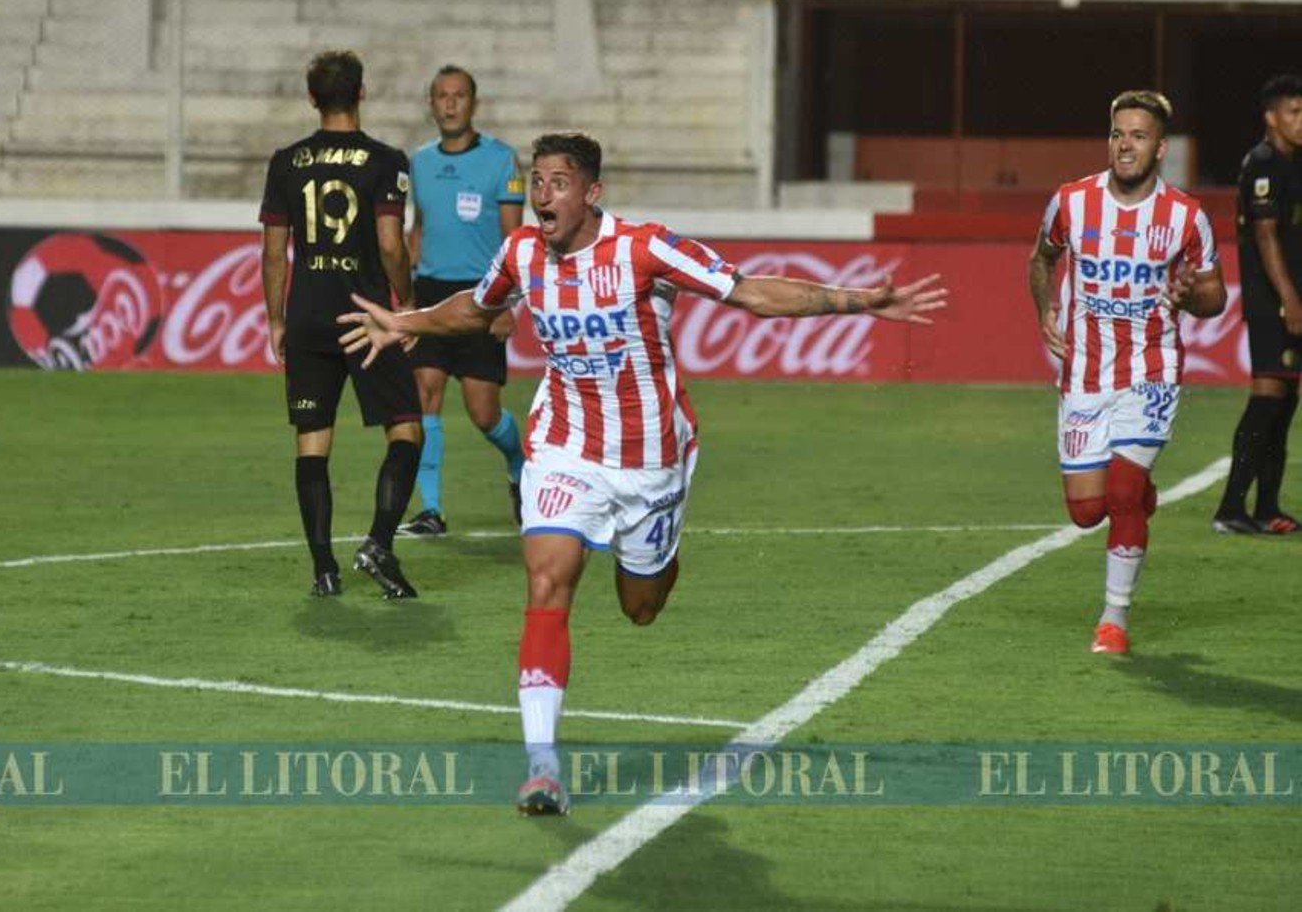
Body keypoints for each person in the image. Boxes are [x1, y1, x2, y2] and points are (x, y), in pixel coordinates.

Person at [338, 132, 946, 815]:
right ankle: (541, 766)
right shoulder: (521, 253)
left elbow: (749, 294)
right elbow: (478, 308)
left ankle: (661, 548)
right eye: (536, 182)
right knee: (546, 580)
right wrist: (406, 322)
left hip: (650, 459)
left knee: (641, 608)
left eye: (558, 182)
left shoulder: (645, 248)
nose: (542, 195)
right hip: (564, 446)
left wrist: (856, 301)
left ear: (591, 192)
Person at [1027, 90, 1228, 657]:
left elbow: (1214, 293)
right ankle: (1138, 494)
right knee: (1087, 512)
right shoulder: (1072, 201)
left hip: (1151, 370)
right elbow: (1042, 257)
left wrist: (1192, 296)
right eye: (1118, 134)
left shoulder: (1185, 216)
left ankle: (1113, 622)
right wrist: (1044, 307)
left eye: (1139, 136)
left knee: (1119, 493)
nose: (1125, 145)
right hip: (1085, 373)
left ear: (1160, 149)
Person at [260, 50, 423, 599]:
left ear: (312, 97)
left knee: (313, 441)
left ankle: (324, 569)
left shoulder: (286, 161)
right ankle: (378, 542)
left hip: (307, 313)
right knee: (405, 429)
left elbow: (274, 253)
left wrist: (277, 319)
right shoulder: (386, 160)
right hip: (366, 315)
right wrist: (408, 304)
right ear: (361, 93)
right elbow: (389, 243)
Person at [399, 65, 527, 537]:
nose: (450, 104)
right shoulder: (419, 161)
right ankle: (431, 510)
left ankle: (519, 464)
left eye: (458, 96)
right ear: (431, 104)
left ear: (474, 103)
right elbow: (419, 229)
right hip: (431, 292)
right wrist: (406, 293)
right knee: (425, 394)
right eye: (441, 96)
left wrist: (507, 303)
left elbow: (516, 240)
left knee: (484, 413)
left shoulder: (501, 160)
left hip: (482, 293)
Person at [1212, 73, 1302, 536]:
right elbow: (1266, 237)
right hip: (1273, 301)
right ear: (1272, 117)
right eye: (1295, 112)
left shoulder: (1295, 163)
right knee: (1268, 397)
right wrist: (1289, 298)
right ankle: (1230, 508)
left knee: (1286, 399)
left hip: (1292, 299)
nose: (1301, 122)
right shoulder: (1264, 164)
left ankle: (1267, 507)